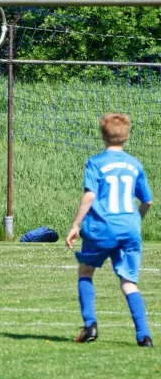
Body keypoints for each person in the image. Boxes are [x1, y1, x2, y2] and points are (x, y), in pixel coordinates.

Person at [66, 113, 153, 347]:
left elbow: (90, 194)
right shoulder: (134, 164)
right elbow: (147, 201)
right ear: (126, 136)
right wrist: (136, 220)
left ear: (103, 135)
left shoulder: (96, 162)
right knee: (128, 282)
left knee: (85, 272)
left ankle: (90, 325)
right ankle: (144, 336)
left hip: (101, 227)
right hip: (129, 229)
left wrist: (75, 225)